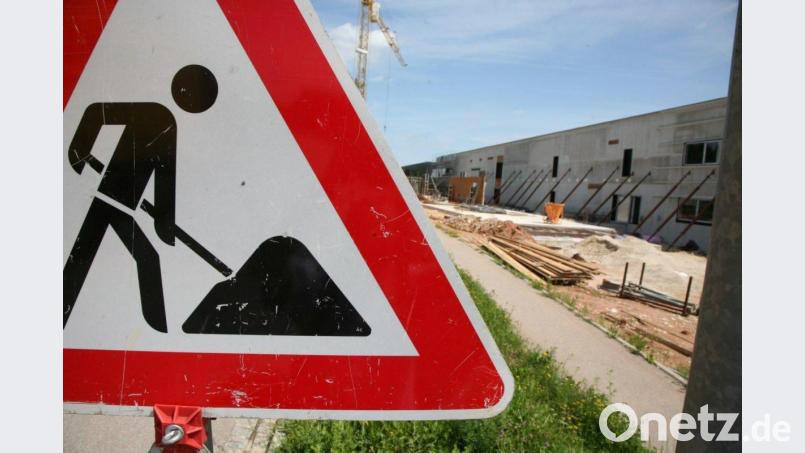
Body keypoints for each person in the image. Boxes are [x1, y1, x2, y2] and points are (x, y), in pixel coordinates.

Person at [63, 64, 218, 333]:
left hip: (119, 206)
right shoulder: (155, 114)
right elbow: (93, 115)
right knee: (136, 259)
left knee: (89, 256)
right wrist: (81, 157)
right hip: (107, 200)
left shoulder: (165, 121)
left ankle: (159, 329)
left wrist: (164, 221)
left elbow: (165, 177)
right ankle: (160, 331)